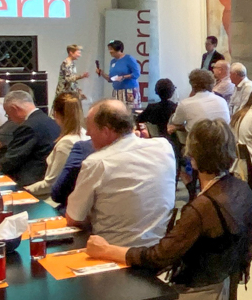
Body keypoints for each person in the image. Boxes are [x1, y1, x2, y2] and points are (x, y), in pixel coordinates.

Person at [64, 118, 252, 300]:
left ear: (194, 159)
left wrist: (108, 250)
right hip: (215, 297)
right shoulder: (241, 189)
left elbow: (157, 257)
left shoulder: (201, 208)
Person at [65, 100, 175, 246]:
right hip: (159, 251)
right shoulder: (164, 147)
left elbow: (74, 218)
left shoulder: (97, 162)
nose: (88, 133)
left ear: (106, 131)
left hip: (113, 253)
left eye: (90, 128)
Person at [27, 93, 88, 199]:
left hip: (57, 200)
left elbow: (51, 184)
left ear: (55, 114)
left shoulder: (66, 143)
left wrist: (24, 190)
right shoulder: (86, 134)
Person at [0, 90, 61, 188]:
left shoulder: (28, 126)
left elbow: (14, 158)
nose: (9, 118)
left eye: (8, 114)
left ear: (14, 108)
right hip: (48, 177)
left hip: (30, 181)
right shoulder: (50, 121)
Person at [168, 70, 232, 146]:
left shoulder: (185, 104)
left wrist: (178, 127)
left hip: (199, 146)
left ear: (192, 85)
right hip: (223, 144)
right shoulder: (222, 101)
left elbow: (176, 122)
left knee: (172, 128)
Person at [96, 40, 140, 107]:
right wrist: (102, 73)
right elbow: (110, 79)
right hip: (117, 91)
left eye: (111, 49)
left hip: (129, 91)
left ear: (118, 49)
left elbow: (136, 74)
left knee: (131, 112)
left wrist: (123, 77)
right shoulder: (113, 61)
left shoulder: (129, 59)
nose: (110, 51)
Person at [136, 78, 178, 143]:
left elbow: (139, 119)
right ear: (172, 92)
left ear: (156, 91)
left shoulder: (151, 108)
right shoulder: (176, 108)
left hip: (154, 141)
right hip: (173, 143)